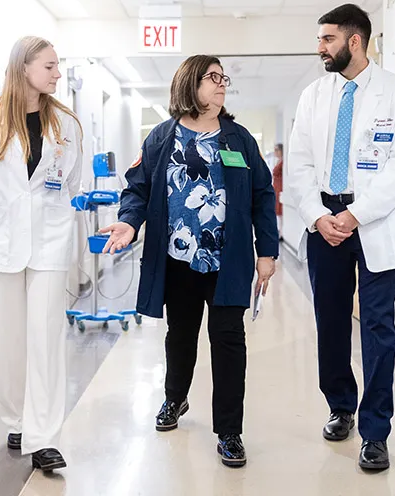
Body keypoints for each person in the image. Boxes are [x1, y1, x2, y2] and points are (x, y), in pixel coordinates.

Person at [100, 55, 278, 468]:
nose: (221, 85)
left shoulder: (239, 140)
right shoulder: (161, 138)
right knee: (180, 337)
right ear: (189, 84)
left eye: (223, 78)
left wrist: (266, 251)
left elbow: (262, 196)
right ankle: (174, 399)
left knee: (229, 342)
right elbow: (137, 189)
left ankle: (230, 431)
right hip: (177, 260)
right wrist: (129, 223)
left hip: (227, 261)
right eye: (212, 78)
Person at [287, 4, 395, 471]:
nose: (319, 47)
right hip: (325, 219)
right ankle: (340, 406)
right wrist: (316, 215)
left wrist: (357, 215)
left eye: (327, 39)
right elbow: (300, 164)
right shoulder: (313, 96)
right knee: (329, 318)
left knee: (379, 326)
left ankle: (376, 431)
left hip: (376, 221)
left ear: (355, 40)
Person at [0, 36, 82, 472]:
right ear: (24, 68)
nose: (57, 73)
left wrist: (54, 214)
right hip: (2, 239)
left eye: (57, 66)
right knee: (9, 338)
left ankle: (43, 435)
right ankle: (16, 417)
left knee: (46, 335)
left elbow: (70, 183)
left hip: (50, 239)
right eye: (49, 66)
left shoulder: (65, 123)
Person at [272, 143, 284, 238]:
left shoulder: (283, 162)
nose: (275, 152)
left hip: (280, 187)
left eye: (277, 150)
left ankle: (281, 232)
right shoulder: (278, 161)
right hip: (276, 187)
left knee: (280, 210)